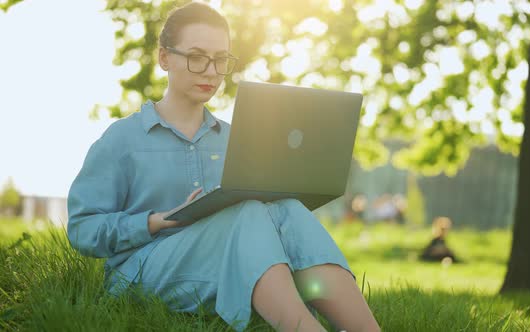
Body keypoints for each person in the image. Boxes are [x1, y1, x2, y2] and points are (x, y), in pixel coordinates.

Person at [66, 2, 380, 332]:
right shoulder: (122, 138)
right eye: (197, 57)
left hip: (223, 262)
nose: (211, 71)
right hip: (141, 272)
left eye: (221, 60)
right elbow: (82, 229)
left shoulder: (237, 138)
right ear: (164, 58)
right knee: (245, 213)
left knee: (287, 207)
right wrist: (154, 222)